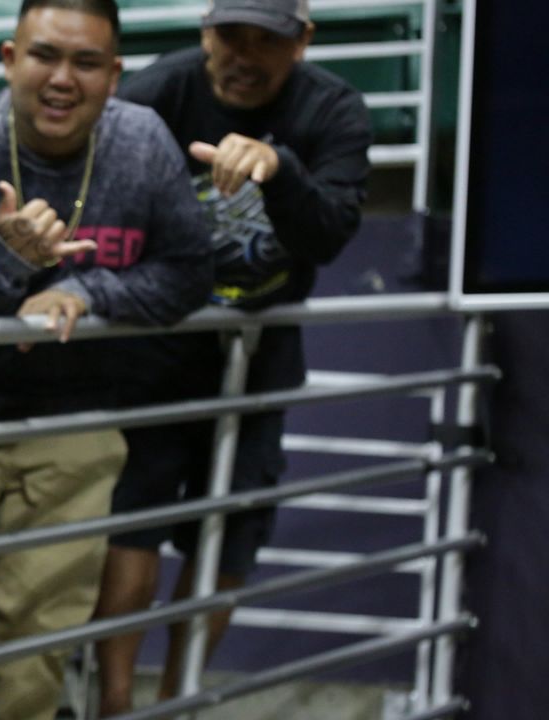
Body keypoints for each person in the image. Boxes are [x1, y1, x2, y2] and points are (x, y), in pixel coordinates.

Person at [0, 1, 213, 718]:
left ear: (114, 74)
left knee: (43, 624)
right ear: (9, 60)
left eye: (87, 62)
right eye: (44, 56)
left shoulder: (141, 141)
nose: (63, 78)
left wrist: (85, 287)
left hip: (77, 413)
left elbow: (192, 272)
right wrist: (11, 267)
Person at [92, 0, 373, 711]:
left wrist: (279, 170)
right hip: (154, 350)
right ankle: (118, 704)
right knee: (134, 525)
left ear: (303, 42)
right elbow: (101, 211)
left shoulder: (332, 109)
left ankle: (181, 699)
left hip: (260, 351)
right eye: (230, 36)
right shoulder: (157, 94)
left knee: (232, 535)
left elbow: (329, 236)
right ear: (204, 33)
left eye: (266, 41)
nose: (244, 55)